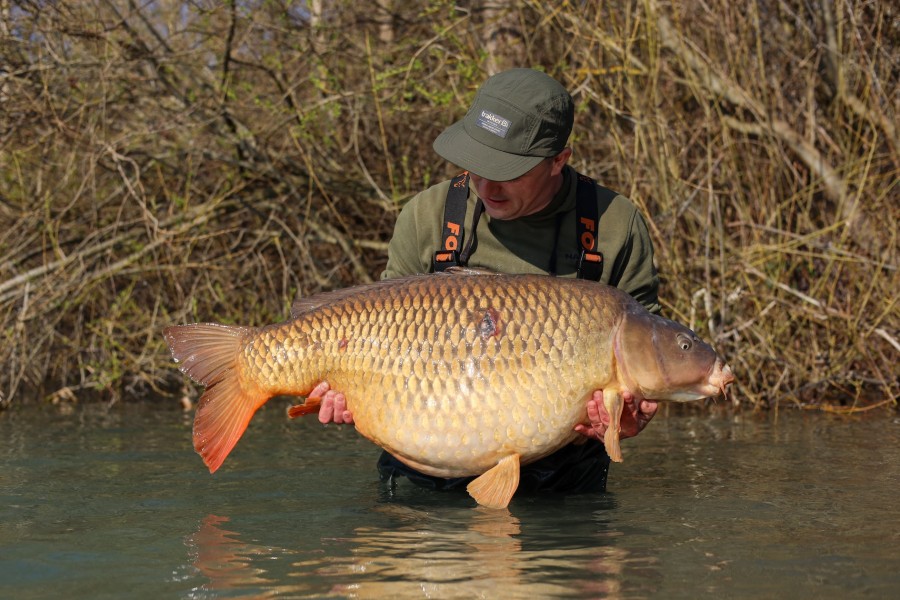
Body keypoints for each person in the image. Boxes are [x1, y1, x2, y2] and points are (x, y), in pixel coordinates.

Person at [314, 68, 660, 494]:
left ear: (559, 160)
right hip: (423, 481)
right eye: (476, 162)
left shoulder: (614, 226)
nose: (487, 184)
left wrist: (629, 418)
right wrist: (350, 392)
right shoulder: (427, 216)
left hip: (563, 495)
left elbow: (650, 360)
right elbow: (379, 336)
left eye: (509, 170)